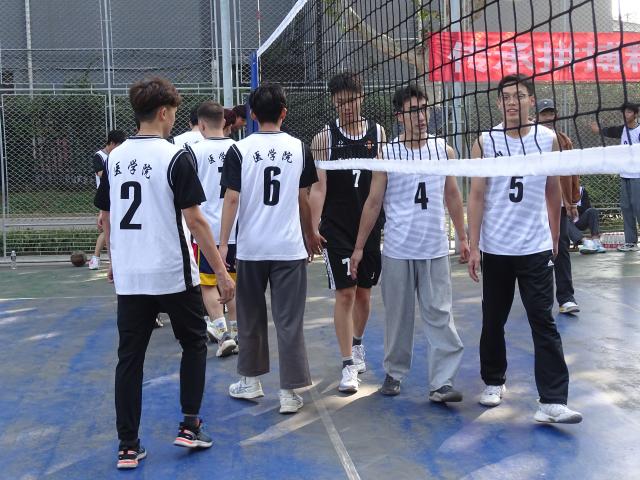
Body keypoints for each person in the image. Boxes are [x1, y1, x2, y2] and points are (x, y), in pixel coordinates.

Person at [94, 76, 235, 469]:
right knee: (194, 343)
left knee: (129, 358)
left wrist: (115, 260)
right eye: (173, 112)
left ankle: (127, 445)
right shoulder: (174, 156)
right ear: (162, 112)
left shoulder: (115, 158)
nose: (175, 118)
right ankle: (190, 425)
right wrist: (222, 272)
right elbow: (196, 220)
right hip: (171, 271)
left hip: (132, 276)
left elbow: (106, 217)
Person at [467, 74, 582, 424]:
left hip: (534, 246)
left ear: (531, 100)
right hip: (496, 247)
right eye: (505, 97)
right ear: (498, 103)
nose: (511, 102)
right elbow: (477, 195)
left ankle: (552, 401)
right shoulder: (485, 141)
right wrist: (474, 245)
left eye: (518, 96)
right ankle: (493, 380)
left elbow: (552, 188)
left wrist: (554, 233)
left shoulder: (548, 139)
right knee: (493, 319)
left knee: (543, 321)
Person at [351, 85, 467, 400]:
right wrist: (359, 247)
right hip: (398, 250)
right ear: (399, 116)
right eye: (413, 111)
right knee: (398, 317)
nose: (420, 117)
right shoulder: (387, 154)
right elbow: (373, 202)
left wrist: (463, 237)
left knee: (440, 314)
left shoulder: (443, 150)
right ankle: (394, 373)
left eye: (423, 109)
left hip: (434, 248)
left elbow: (452, 195)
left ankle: (442, 383)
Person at [220, 83, 323, 414]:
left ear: (251, 114)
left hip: (251, 248)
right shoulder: (299, 148)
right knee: (289, 320)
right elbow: (303, 198)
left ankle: (250, 381)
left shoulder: (239, 150)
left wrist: (223, 245)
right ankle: (290, 392)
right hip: (289, 248)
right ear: (284, 113)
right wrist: (310, 234)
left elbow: (231, 199)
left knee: (250, 317)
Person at [310, 72, 386, 392]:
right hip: (337, 229)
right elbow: (319, 188)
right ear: (333, 102)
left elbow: (379, 188)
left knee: (364, 295)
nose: (347, 107)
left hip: (368, 226)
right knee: (345, 293)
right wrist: (312, 226)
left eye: (352, 100)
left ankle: (357, 344)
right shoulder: (324, 139)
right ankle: (347, 365)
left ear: (362, 97)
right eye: (341, 102)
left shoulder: (377, 133)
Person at [186, 101, 238, 357]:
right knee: (233, 282)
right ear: (225, 122)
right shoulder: (239, 148)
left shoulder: (193, 151)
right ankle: (238, 332)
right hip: (234, 228)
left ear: (201, 125)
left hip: (205, 229)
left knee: (207, 285)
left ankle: (223, 333)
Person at [536, 99, 580, 314]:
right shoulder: (528, 139)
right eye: (544, 114)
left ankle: (566, 298)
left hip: (558, 206)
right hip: (534, 205)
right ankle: (538, 299)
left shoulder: (564, 140)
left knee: (561, 248)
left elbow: (571, 173)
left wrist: (572, 202)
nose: (548, 118)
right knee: (536, 253)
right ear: (537, 117)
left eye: (551, 113)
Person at [591, 102, 640, 252]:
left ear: (636, 114)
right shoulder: (622, 129)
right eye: (624, 112)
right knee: (626, 207)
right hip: (624, 174)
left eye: (629, 112)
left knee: (638, 207)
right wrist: (598, 130)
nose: (626, 114)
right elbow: (609, 131)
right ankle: (631, 242)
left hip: (638, 175)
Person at [89, 130, 126, 270]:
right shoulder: (99, 156)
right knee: (106, 229)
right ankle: (96, 258)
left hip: (118, 195)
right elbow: (100, 173)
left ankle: (108, 258)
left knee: (112, 229)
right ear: (111, 143)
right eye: (118, 145)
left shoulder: (119, 156)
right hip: (105, 196)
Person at [567, 186, 606, 253]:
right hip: (567, 222)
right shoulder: (559, 190)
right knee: (563, 218)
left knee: (592, 211)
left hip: (579, 221)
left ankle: (596, 242)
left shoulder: (581, 190)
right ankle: (586, 242)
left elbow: (586, 207)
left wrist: (575, 207)